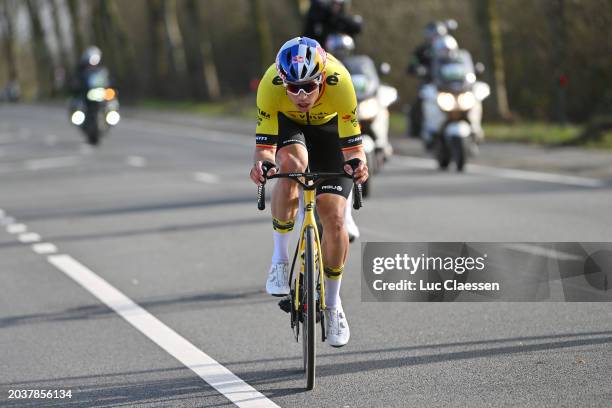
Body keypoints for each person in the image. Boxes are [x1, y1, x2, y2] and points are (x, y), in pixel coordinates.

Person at [249, 37, 368, 347]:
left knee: (335, 218)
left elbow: (354, 147)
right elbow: (264, 150)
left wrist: (358, 167)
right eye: (293, 88)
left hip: (330, 134)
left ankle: (332, 305)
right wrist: (262, 166)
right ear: (282, 81)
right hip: (290, 129)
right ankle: (279, 259)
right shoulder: (270, 84)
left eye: (309, 87)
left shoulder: (339, 80)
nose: (300, 95)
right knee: (291, 165)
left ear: (321, 79)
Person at [406, 21, 448, 139]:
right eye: (432, 35)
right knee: (419, 103)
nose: (434, 38)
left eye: (437, 35)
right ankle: (417, 129)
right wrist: (418, 68)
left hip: (447, 84)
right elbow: (412, 65)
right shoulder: (421, 50)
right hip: (429, 84)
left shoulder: (449, 49)